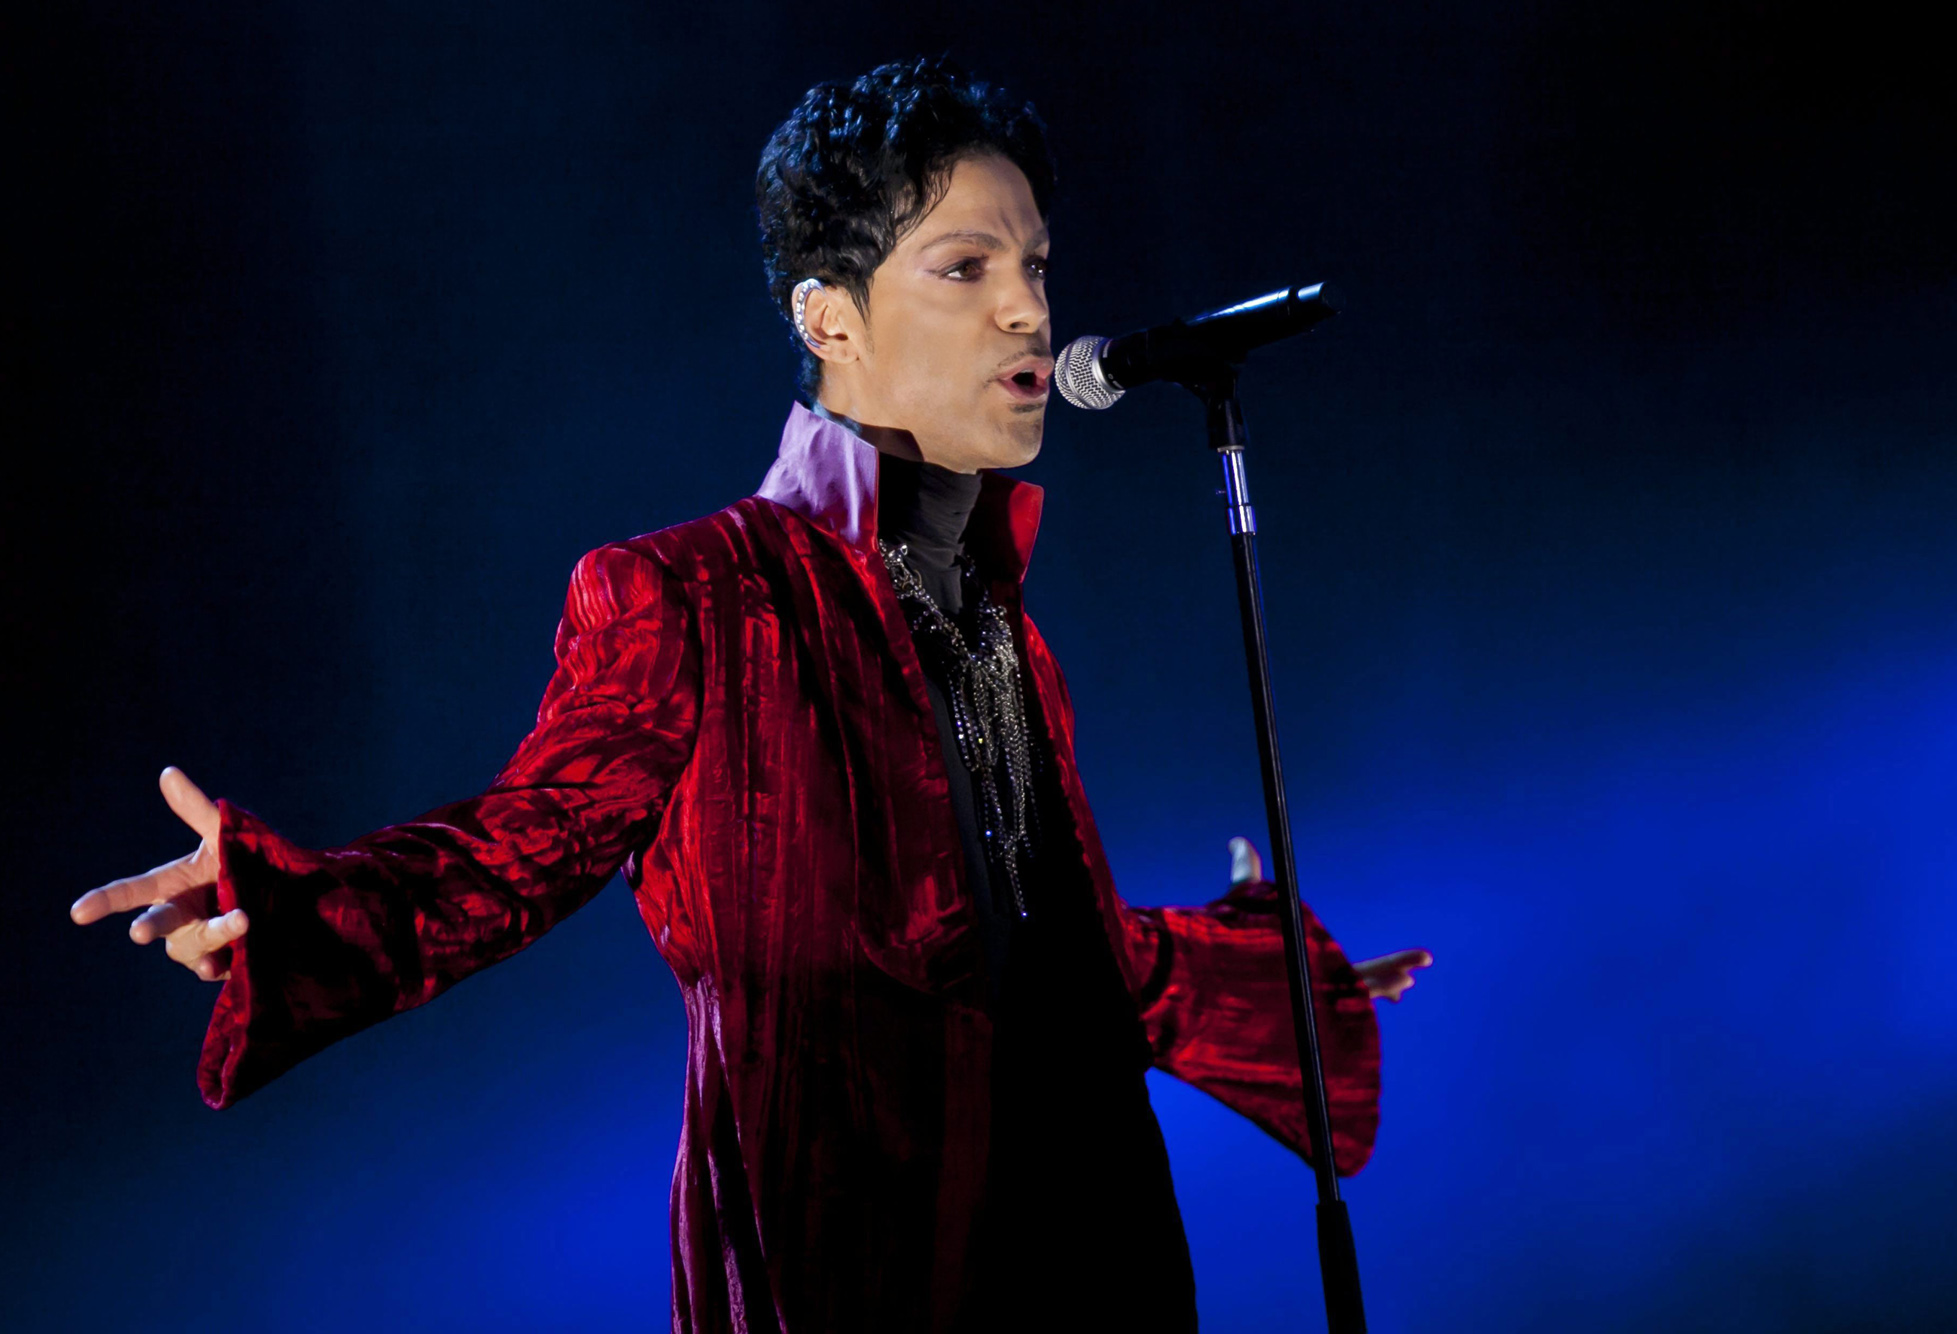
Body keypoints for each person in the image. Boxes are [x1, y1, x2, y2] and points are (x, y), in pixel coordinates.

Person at [70, 57, 1433, 1333]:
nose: (1028, 308)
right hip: (862, 1266)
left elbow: (1038, 960)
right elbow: (519, 845)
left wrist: (1280, 984)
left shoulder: (1007, 626)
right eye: (965, 268)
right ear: (828, 315)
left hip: (1099, 1246)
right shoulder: (696, 593)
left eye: (1035, 266)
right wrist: (291, 911)